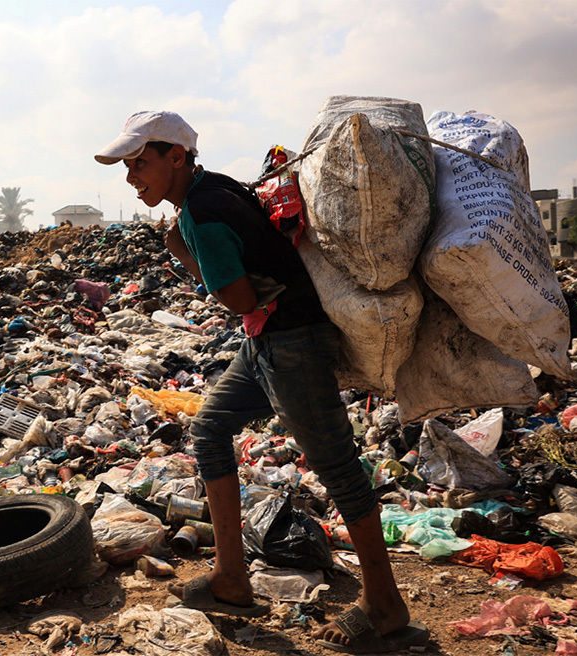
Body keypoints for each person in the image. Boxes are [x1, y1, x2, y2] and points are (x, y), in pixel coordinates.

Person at [95, 111, 429, 654]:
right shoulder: (216, 188)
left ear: (175, 157)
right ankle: (230, 576)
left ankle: (385, 605)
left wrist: (187, 255)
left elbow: (239, 298)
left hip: (290, 341)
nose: (132, 177)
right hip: (269, 338)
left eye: (139, 163)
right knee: (209, 431)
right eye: (127, 167)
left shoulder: (200, 213)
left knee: (339, 468)